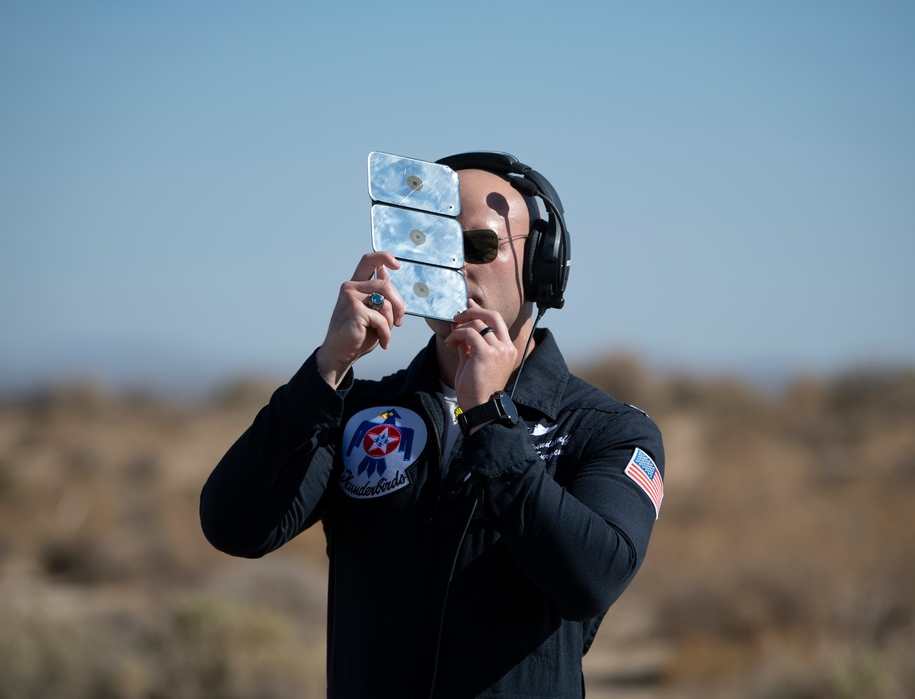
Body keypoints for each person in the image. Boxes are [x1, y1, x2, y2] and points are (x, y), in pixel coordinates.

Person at [200, 152, 665, 698]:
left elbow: (592, 579)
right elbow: (233, 524)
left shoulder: (606, 431)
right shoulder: (358, 412)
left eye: (478, 246)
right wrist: (327, 370)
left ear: (542, 264)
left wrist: (490, 419)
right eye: (434, 247)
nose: (453, 267)